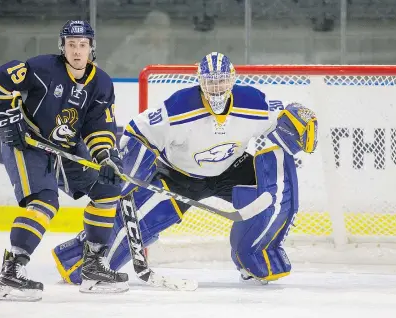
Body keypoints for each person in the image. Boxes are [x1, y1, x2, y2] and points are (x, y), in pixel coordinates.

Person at [53, 52, 318, 286]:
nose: (216, 88)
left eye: (222, 81)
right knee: (137, 222)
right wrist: (130, 173)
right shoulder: (179, 107)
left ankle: (255, 254)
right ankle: (79, 259)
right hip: (178, 176)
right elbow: (138, 132)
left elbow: (281, 116)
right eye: (210, 81)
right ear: (199, 81)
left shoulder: (252, 102)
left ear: (232, 80)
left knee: (272, 192)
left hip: (232, 170)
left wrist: (296, 118)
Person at [0, 20, 129, 301]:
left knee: (107, 188)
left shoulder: (101, 83)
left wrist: (106, 157)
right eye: (71, 45)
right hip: (28, 142)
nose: (77, 51)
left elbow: (99, 127)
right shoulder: (41, 68)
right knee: (45, 201)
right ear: (63, 47)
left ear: (91, 48)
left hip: (66, 147)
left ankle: (94, 266)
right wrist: (4, 117)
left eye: (82, 45)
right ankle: (12, 270)